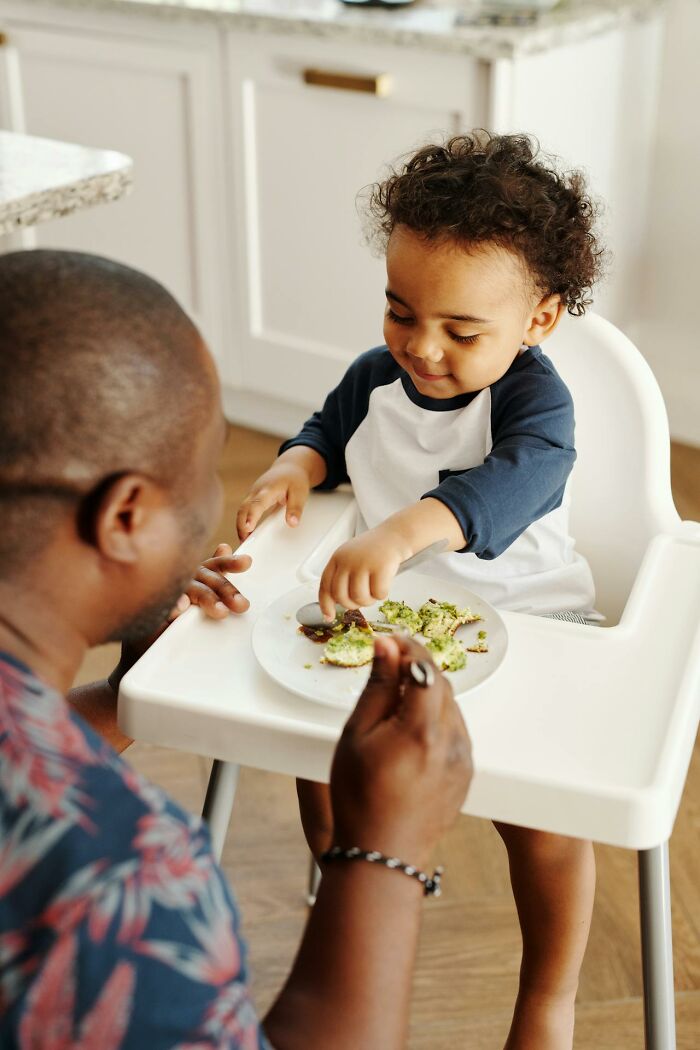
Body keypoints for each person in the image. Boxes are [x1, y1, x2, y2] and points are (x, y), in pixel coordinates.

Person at [0, 249, 472, 1049]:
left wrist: (126, 693)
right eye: (209, 468)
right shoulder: (119, 880)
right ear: (125, 519)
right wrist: (384, 854)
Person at [236, 132, 604, 1050]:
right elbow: (328, 424)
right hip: (396, 614)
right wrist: (295, 464)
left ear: (540, 319)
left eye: (462, 330)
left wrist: (406, 528)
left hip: (532, 612)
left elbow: (521, 477)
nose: (422, 347)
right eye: (401, 312)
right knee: (318, 749)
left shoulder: (534, 403)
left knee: (543, 820)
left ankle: (547, 999)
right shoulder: (379, 376)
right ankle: (344, 880)